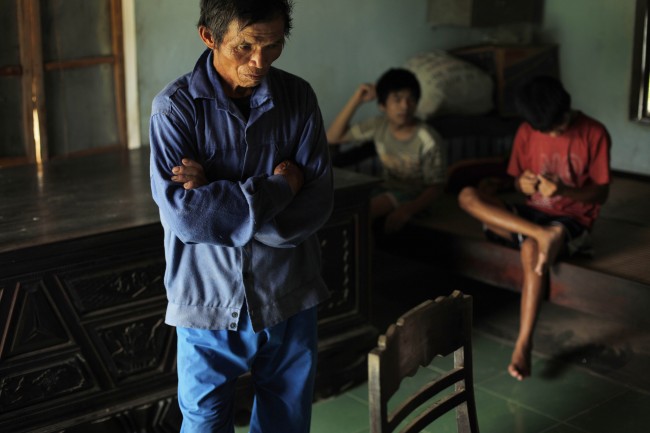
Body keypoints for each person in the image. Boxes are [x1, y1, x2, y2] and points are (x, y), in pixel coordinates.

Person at [148, 0, 334, 431]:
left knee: (285, 420)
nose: (259, 62)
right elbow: (188, 221)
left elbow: (317, 204)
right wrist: (283, 186)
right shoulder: (174, 110)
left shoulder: (298, 98)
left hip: (288, 292)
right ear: (208, 37)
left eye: (272, 47)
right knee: (204, 423)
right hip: (205, 301)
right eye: (245, 47)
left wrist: (216, 190)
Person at [457, 75, 611, 381]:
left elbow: (601, 193)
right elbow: (516, 181)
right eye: (546, 129)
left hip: (571, 220)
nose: (554, 131)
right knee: (467, 196)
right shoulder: (527, 130)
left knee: (530, 249)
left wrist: (564, 192)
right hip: (532, 216)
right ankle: (541, 235)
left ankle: (523, 344)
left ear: (566, 106)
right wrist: (520, 183)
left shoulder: (594, 132)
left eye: (558, 124)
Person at [327, 68, 446, 234]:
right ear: (383, 105)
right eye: (397, 99)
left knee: (362, 214)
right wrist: (357, 99)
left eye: (410, 99)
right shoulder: (379, 126)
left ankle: (363, 257)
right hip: (386, 188)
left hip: (416, 196)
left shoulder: (427, 140)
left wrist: (408, 210)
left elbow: (436, 187)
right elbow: (333, 137)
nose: (404, 106)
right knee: (342, 205)